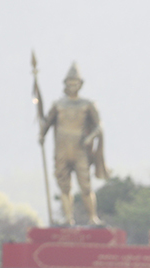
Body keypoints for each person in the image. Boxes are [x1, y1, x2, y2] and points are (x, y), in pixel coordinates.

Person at [39, 62, 108, 225]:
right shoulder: (58, 104)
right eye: (69, 83)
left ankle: (93, 217)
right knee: (64, 186)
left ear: (80, 84)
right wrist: (42, 135)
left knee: (85, 185)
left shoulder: (87, 104)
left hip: (80, 149)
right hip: (61, 149)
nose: (72, 86)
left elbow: (99, 126)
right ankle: (68, 218)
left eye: (75, 83)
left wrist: (90, 137)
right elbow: (47, 123)